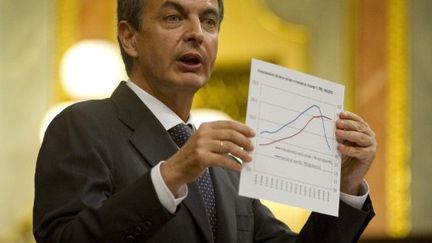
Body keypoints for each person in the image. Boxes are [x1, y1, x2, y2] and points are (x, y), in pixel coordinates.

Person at [33, 0, 376, 242]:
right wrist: (171, 176)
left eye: (209, 21)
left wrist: (345, 186)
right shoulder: (82, 126)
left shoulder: (227, 163)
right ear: (130, 37)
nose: (197, 33)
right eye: (173, 18)